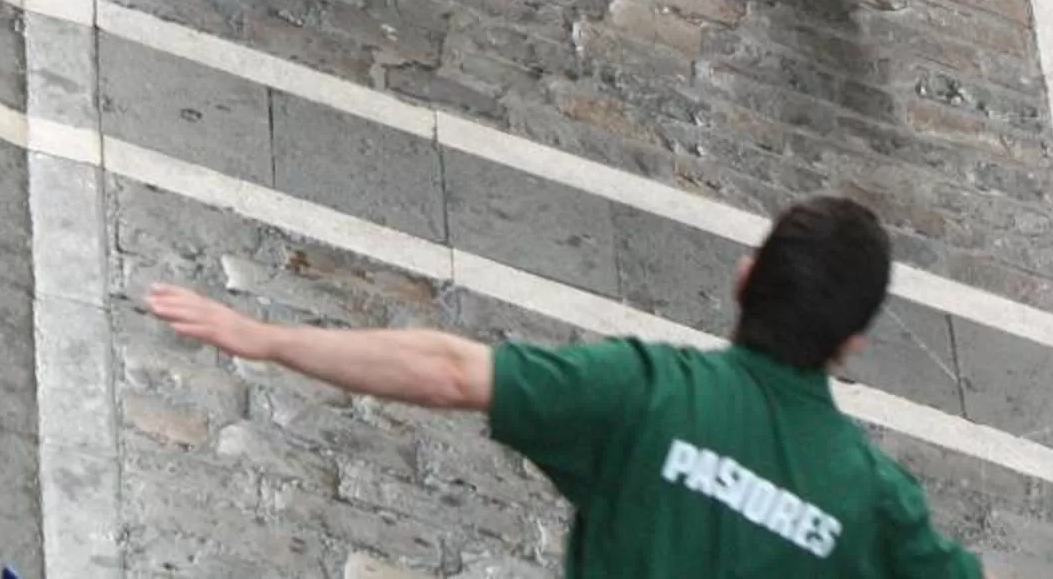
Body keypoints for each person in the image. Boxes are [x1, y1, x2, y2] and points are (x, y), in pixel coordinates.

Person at [152, 194, 984, 579]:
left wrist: (264, 338)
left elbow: (447, 372)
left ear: (743, 279)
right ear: (852, 342)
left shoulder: (644, 391)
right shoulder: (877, 502)